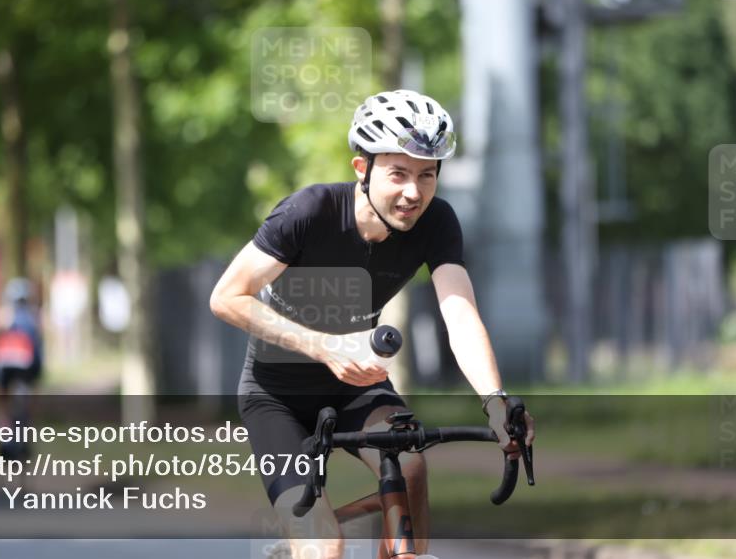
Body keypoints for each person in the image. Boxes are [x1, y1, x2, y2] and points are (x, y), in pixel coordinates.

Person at [210, 89, 535, 559]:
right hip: (275, 395)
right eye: (398, 173)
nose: (413, 192)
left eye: (427, 175)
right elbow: (226, 297)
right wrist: (326, 347)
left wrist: (496, 403)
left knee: (412, 465)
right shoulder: (309, 212)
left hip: (355, 387)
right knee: (325, 549)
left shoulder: (437, 222)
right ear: (362, 170)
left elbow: (459, 313)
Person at [0, 277, 44, 461]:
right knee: (31, 396)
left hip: (5, 365)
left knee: (0, 400)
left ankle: (2, 436)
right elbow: (38, 351)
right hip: (28, 364)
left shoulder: (4, 315)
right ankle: (26, 435)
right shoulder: (34, 318)